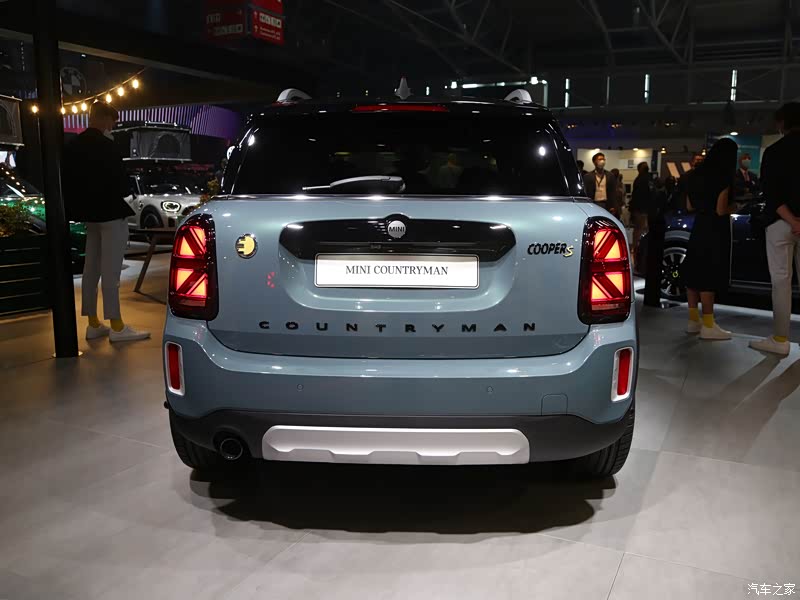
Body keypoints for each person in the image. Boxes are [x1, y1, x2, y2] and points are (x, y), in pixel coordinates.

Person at [62, 102, 150, 343]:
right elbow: (121, 184)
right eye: (111, 121)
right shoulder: (107, 145)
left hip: (89, 215)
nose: (112, 126)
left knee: (90, 269)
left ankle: (93, 323)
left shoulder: (72, 146)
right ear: (103, 118)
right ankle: (117, 326)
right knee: (111, 271)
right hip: (111, 214)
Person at [750, 102, 800, 356]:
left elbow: (771, 193)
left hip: (780, 223)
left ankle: (781, 339)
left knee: (781, 282)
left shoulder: (774, 151)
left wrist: (792, 221)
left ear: (782, 123)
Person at [681, 137, 739, 340]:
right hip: (715, 229)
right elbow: (721, 209)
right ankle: (708, 324)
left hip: (699, 225)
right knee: (709, 275)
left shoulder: (695, 175)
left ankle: (693, 321)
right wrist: (735, 207)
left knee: (694, 271)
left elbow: (689, 206)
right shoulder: (722, 177)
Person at [629, 162, 653, 264]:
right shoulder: (646, 180)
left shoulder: (640, 179)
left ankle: (637, 248)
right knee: (641, 229)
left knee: (639, 230)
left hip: (641, 209)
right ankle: (638, 249)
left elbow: (636, 196)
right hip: (643, 209)